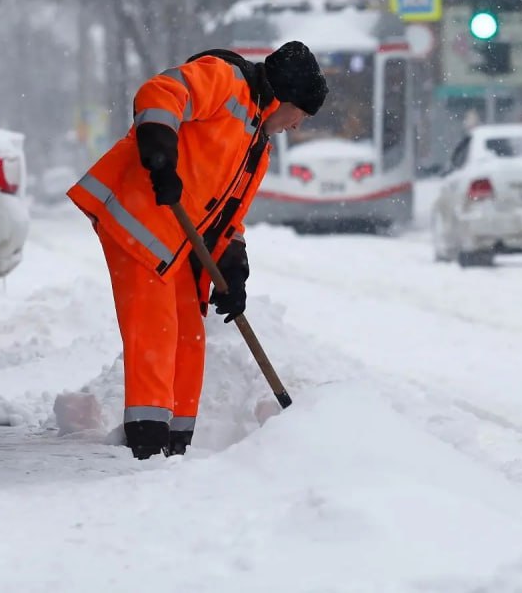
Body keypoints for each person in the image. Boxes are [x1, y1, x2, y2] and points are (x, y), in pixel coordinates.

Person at [68, 41, 328, 460]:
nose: (297, 126)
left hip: (175, 245)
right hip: (140, 221)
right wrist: (159, 149)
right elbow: (160, 92)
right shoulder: (225, 81)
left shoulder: (256, 145)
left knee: (189, 336)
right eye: (300, 115)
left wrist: (233, 265)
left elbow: (230, 214)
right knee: (157, 330)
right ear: (285, 98)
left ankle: (177, 440)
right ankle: (148, 442)